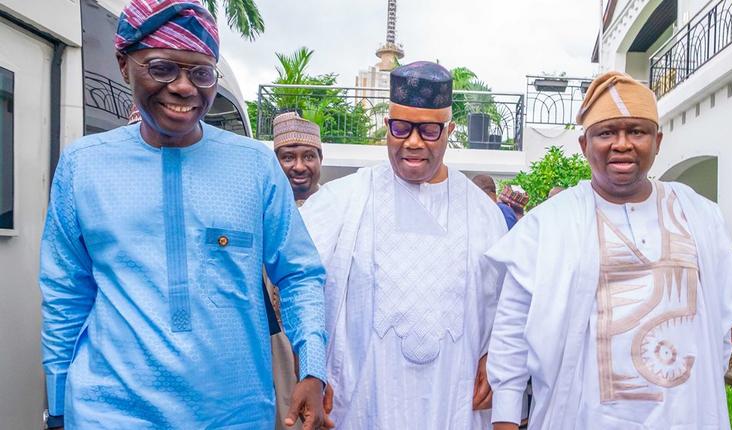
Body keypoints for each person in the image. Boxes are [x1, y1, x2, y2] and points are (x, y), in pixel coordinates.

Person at [38, 1, 329, 429]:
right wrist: (59, 404)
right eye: (162, 69)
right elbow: (65, 292)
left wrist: (313, 368)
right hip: (110, 412)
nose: (183, 87)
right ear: (124, 64)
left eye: (200, 72)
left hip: (233, 413)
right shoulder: (84, 166)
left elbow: (300, 274)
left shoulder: (254, 166)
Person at [485, 71, 732, 430]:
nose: (622, 144)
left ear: (657, 141)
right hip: (583, 419)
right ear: (585, 145)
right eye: (606, 133)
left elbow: (719, 321)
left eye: (636, 131)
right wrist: (505, 416)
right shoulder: (548, 223)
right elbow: (512, 330)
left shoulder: (698, 214)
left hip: (684, 416)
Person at [300, 61, 507, 429]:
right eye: (401, 128)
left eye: (428, 130)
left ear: (449, 131)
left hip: (453, 400)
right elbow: (300, 285)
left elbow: (505, 304)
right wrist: (314, 367)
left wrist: (495, 355)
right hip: (364, 403)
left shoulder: (482, 213)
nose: (413, 142)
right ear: (387, 127)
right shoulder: (343, 201)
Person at [268, 111, 328, 430]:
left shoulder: (338, 211)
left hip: (327, 345)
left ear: (321, 159)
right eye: (287, 157)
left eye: (309, 156)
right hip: (274, 349)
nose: (299, 166)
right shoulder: (261, 214)